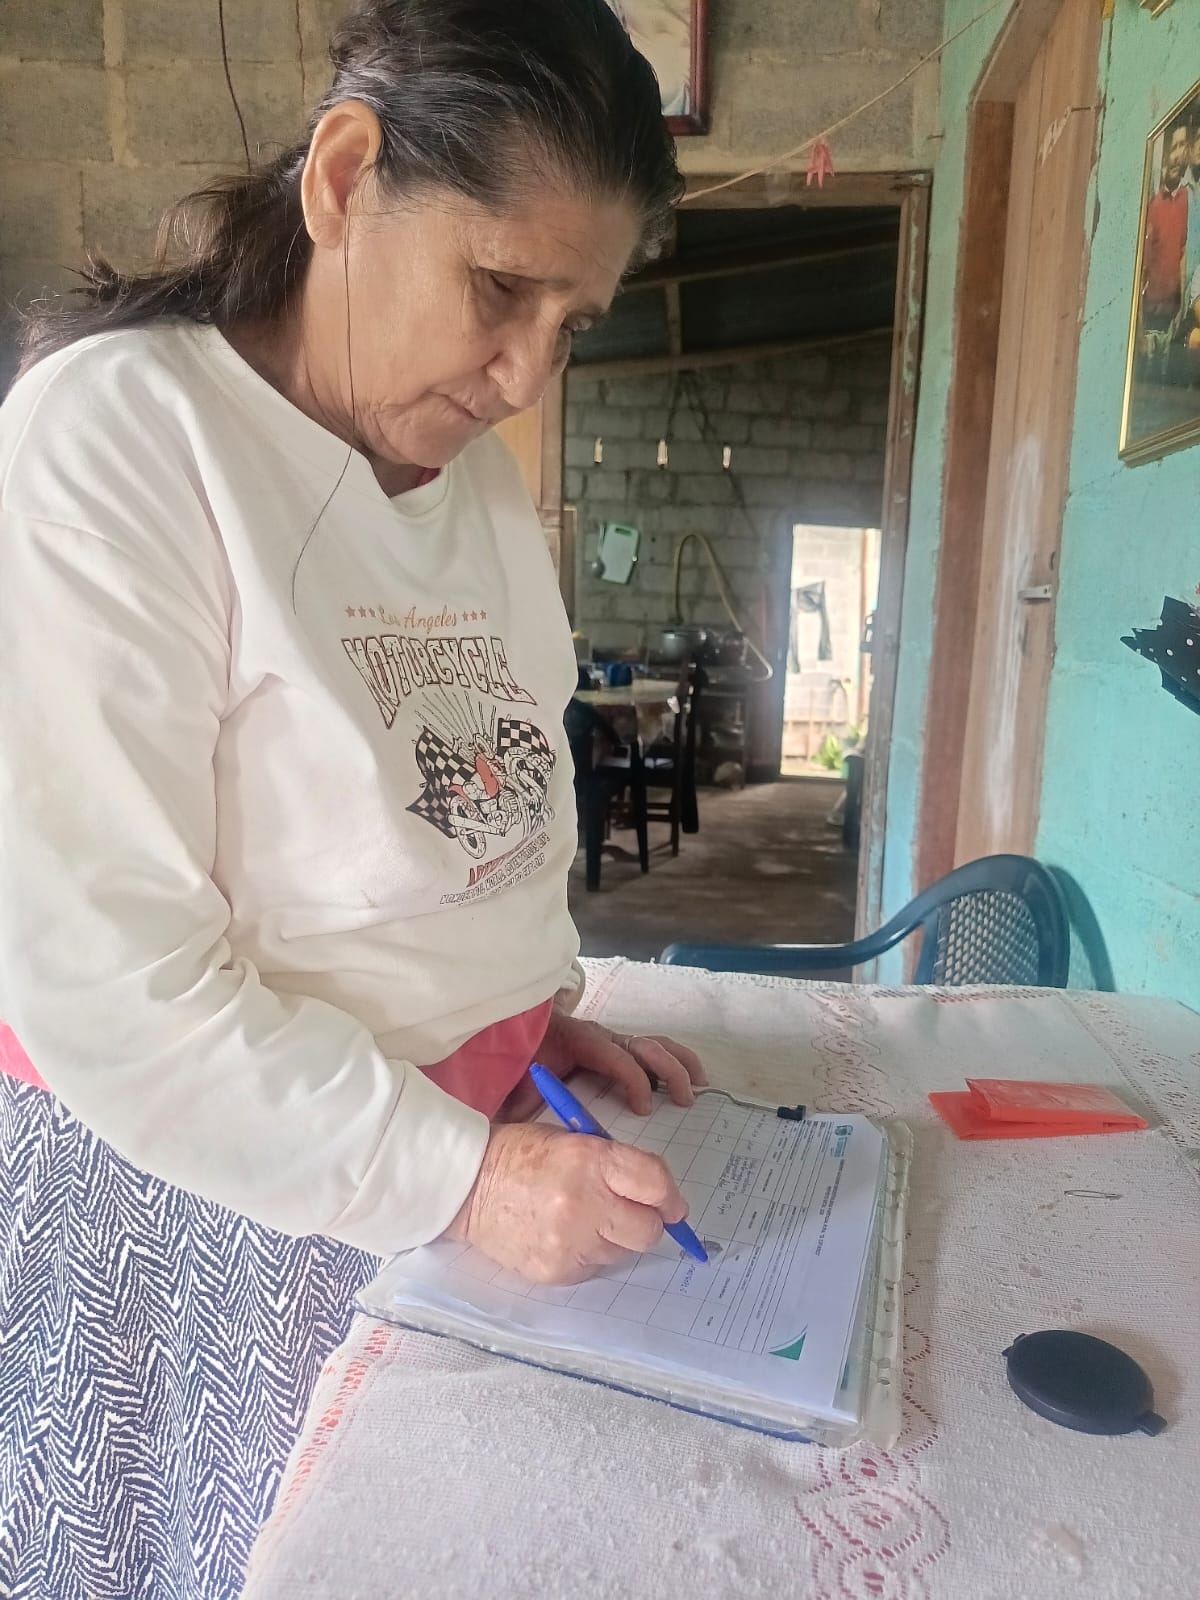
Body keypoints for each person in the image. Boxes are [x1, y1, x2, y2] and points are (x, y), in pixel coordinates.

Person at [0, 4, 701, 1598]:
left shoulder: (473, 492)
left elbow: (470, 814)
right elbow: (106, 980)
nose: (524, 373)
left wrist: (518, 1013)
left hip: (447, 1141)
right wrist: (466, 1175)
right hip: (212, 1195)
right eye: (498, 288)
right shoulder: (124, 438)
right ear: (342, 176)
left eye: (573, 321)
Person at [1142, 117, 1190, 330]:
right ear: (1163, 157)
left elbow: (1183, 253)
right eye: (1173, 148)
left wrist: (1182, 308)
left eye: (1182, 146)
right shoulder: (1152, 207)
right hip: (1151, 315)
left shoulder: (1188, 200)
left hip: (1175, 315)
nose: (1178, 155)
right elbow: (1143, 266)